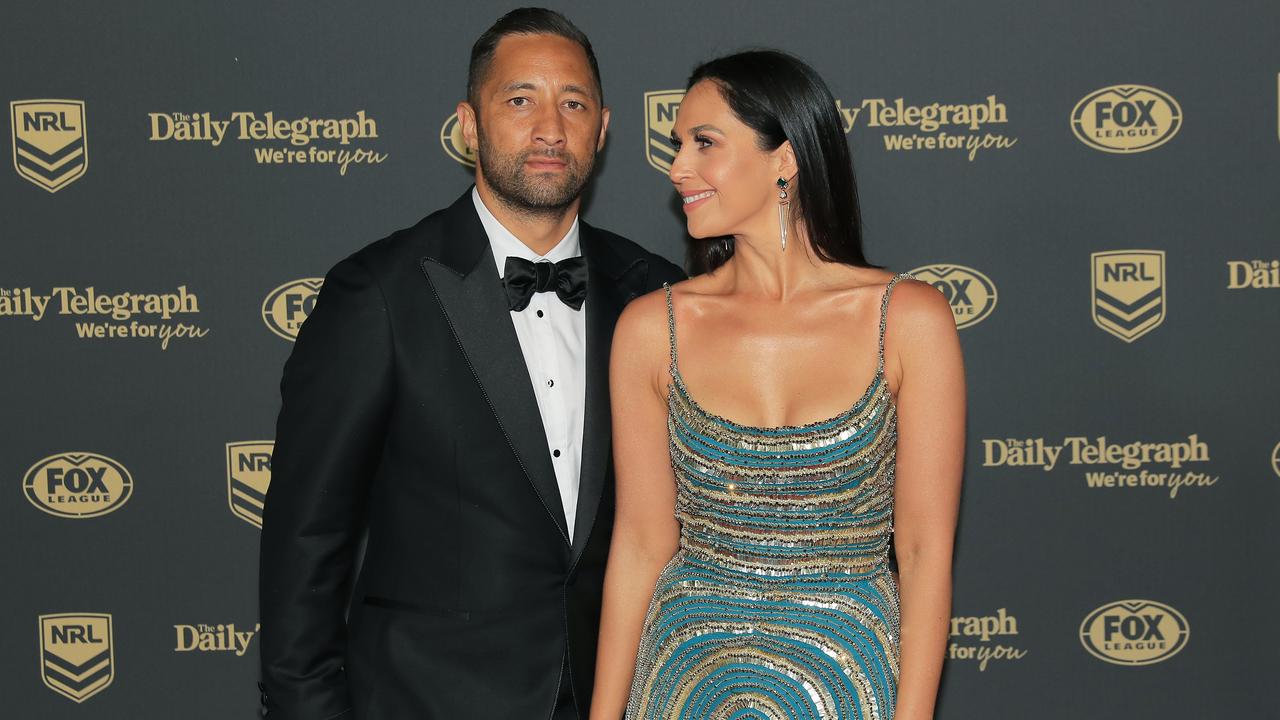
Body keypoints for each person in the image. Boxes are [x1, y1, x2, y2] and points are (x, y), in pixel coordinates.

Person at [257, 8, 684, 719]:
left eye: (572, 103)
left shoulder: (659, 295)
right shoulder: (379, 294)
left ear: (604, 130)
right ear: (468, 125)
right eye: (521, 100)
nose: (550, 127)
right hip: (427, 699)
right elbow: (308, 539)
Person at [589, 50, 964, 720]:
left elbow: (923, 552)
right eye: (679, 145)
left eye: (705, 143)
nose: (678, 168)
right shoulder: (652, 329)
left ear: (784, 159)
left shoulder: (907, 320)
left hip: (852, 681)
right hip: (682, 679)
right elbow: (643, 543)